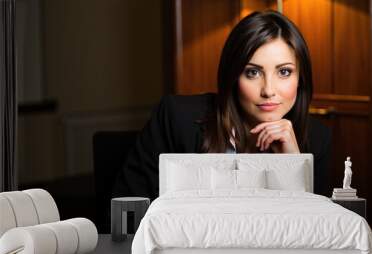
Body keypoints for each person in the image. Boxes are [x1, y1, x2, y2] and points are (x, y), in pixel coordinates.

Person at [113, 10, 332, 200]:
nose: (268, 90)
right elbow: (127, 211)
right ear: (232, 77)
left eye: (284, 72)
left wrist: (293, 167)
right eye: (252, 72)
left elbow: (320, 235)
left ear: (300, 79)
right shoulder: (177, 117)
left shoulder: (317, 139)